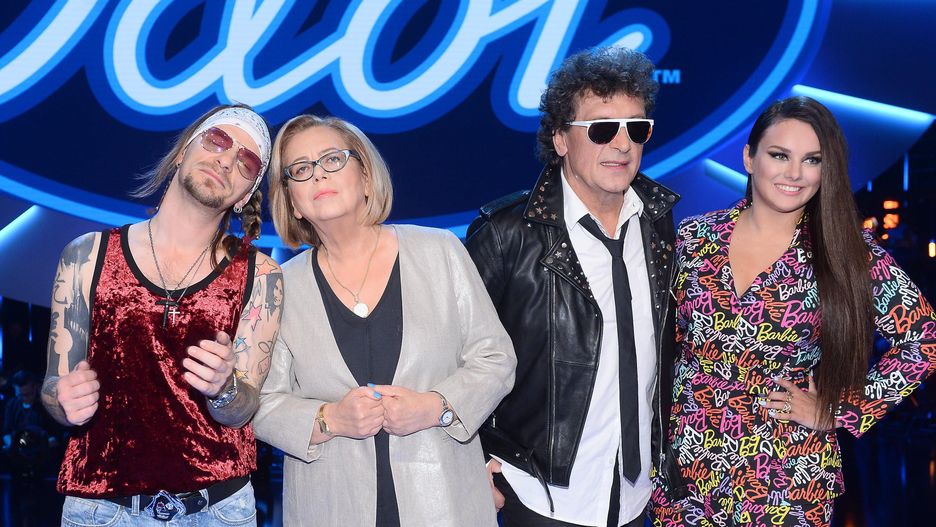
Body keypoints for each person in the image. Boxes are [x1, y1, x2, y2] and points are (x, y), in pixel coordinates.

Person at [650, 96, 936, 526]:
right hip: (687, 467)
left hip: (786, 473)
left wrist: (841, 409)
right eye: (779, 155)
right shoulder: (694, 238)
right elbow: (656, 343)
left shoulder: (845, 252)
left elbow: (924, 339)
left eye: (812, 160)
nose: (795, 173)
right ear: (749, 158)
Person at [252, 114, 516, 526]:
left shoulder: (440, 251)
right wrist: (330, 419)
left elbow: (496, 359)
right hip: (331, 508)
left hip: (445, 503)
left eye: (332, 159)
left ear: (366, 177)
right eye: (300, 169)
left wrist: (435, 407)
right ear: (292, 202)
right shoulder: (279, 286)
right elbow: (262, 403)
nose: (318, 174)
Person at [465, 46, 684, 527]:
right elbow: (452, 356)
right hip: (541, 494)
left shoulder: (659, 224)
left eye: (636, 128)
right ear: (561, 138)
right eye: (602, 129)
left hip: (637, 494)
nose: (622, 144)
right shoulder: (506, 235)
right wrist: (474, 460)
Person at [40, 104, 283, 525]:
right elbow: (52, 386)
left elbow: (242, 410)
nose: (227, 160)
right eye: (218, 140)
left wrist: (225, 387)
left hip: (218, 510)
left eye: (246, 161)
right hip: (102, 509)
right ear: (182, 152)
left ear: (245, 196)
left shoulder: (261, 275)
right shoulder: (87, 255)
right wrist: (63, 400)